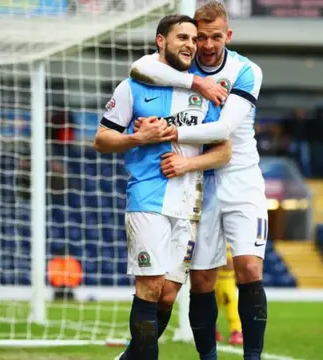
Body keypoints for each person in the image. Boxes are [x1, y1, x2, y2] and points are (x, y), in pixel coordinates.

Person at [129, 2, 268, 358]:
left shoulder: (246, 70)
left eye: (215, 37)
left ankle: (252, 357)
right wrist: (195, 82)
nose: (206, 45)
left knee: (249, 268)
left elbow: (224, 129)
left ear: (229, 35)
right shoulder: (185, 65)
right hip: (196, 184)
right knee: (203, 280)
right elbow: (140, 66)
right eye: (201, 36)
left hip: (241, 178)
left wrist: (168, 130)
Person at [93, 14, 231, 360]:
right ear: (161, 41)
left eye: (193, 39)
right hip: (148, 198)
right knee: (150, 286)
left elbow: (223, 150)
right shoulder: (133, 86)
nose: (190, 44)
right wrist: (138, 137)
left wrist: (188, 163)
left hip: (189, 204)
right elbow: (101, 139)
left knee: (168, 294)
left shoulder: (205, 93)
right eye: (182, 37)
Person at [215, 243, 243, 345]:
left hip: (226, 280)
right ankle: (213, 329)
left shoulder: (229, 241)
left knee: (231, 306)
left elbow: (229, 264)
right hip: (210, 279)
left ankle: (236, 331)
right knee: (210, 306)